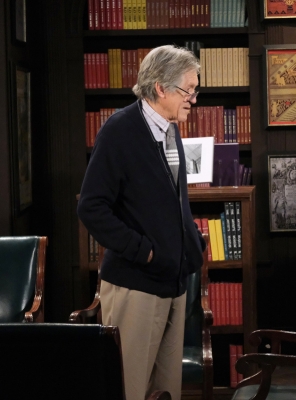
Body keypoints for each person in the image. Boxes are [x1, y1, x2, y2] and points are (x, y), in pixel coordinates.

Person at [77, 45, 206, 400]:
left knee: (166, 393)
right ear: (160, 88)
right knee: (130, 390)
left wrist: (191, 243)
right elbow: (91, 207)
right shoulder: (120, 130)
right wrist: (145, 251)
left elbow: (169, 202)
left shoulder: (171, 130)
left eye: (195, 90)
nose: (193, 100)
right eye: (187, 91)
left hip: (174, 284)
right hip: (136, 287)